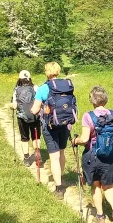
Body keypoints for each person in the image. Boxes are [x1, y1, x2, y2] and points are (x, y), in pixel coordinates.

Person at [71, 86, 113, 223]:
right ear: (105, 99)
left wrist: (75, 141)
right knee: (108, 185)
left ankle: (100, 216)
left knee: (96, 185)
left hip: (92, 155)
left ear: (92, 100)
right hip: (109, 155)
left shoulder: (88, 116)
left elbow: (84, 139)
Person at [30, 62, 77, 200]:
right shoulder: (67, 85)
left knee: (54, 156)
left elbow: (35, 109)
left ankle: (59, 187)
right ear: (58, 71)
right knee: (61, 152)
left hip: (49, 126)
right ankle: (60, 177)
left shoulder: (44, 88)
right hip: (65, 124)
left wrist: (33, 112)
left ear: (47, 72)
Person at [10, 70, 40, 166]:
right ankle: (38, 156)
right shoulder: (35, 87)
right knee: (36, 137)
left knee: (24, 138)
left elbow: (14, 106)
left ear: (20, 79)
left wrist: (11, 105)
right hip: (35, 116)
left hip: (22, 117)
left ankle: (26, 158)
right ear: (30, 78)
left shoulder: (16, 89)